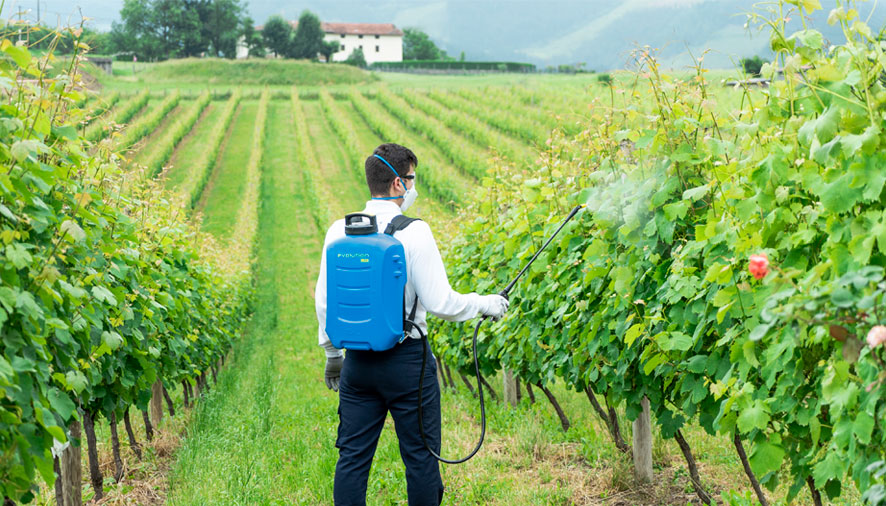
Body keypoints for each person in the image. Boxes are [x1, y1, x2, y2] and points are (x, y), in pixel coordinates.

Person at [314, 143, 509, 506]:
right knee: (420, 459)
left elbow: (324, 300)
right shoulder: (415, 232)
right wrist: (487, 304)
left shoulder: (338, 230)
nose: (414, 187)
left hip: (356, 363)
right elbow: (441, 303)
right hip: (408, 363)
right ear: (398, 185)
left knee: (352, 460)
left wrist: (332, 354)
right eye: (412, 179)